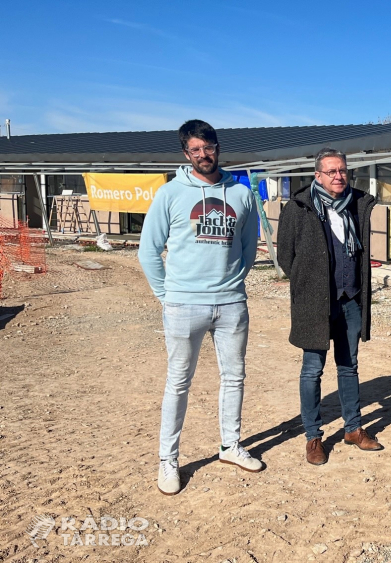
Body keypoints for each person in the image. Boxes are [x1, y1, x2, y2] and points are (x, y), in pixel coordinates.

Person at [139, 119, 262, 496]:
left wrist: (232, 283)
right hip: (182, 304)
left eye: (209, 147)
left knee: (234, 377)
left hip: (230, 305)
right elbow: (148, 253)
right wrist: (167, 295)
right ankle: (168, 460)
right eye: (196, 150)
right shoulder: (170, 194)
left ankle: (230, 446)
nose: (204, 155)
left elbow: (247, 246)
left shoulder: (240, 195)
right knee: (178, 382)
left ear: (218, 147)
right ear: (186, 154)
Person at [277, 148, 381, 466]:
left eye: (342, 170)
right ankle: (313, 437)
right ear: (318, 175)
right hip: (314, 303)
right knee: (312, 370)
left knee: (348, 367)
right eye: (332, 171)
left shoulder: (356, 204)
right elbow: (285, 255)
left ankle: (352, 428)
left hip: (349, 300)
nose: (338, 176)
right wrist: (309, 283)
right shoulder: (299, 207)